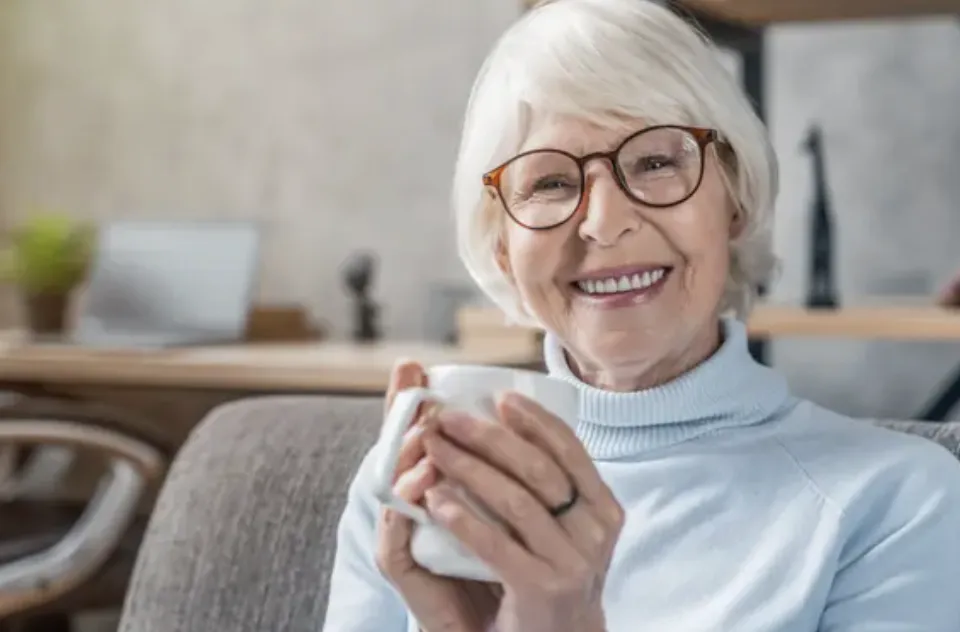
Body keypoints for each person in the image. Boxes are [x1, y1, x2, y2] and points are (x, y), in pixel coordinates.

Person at [323, 1, 960, 630]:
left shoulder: (900, 502)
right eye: (550, 183)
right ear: (502, 247)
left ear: (732, 197)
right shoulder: (408, 491)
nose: (605, 223)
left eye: (655, 162)